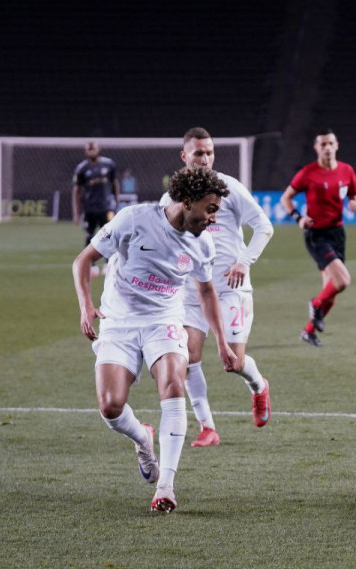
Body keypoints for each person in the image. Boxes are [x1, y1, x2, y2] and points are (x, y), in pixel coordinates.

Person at [72, 166, 238, 513]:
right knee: (110, 406)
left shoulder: (202, 244)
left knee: (174, 383)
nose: (213, 219)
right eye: (210, 209)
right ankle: (142, 438)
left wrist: (222, 341)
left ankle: (166, 486)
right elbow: (84, 259)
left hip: (164, 320)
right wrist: (86, 304)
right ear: (187, 202)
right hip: (118, 321)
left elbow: (206, 292)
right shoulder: (134, 220)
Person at [159, 127, 274, 447]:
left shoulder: (230, 188)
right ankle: (207, 427)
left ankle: (259, 387)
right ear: (185, 156)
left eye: (209, 152)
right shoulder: (171, 196)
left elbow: (264, 227)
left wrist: (244, 261)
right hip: (191, 289)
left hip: (230, 287)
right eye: (199, 153)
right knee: (187, 355)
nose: (205, 157)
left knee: (234, 363)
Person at [280, 129, 356, 347]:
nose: (327, 147)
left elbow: (354, 196)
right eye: (322, 144)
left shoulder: (347, 171)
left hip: (337, 233)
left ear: (337, 145)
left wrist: (355, 203)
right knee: (343, 280)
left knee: (332, 292)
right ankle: (315, 304)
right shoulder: (308, 173)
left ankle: (308, 331)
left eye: (330, 143)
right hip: (316, 235)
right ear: (316, 148)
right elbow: (286, 198)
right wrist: (297, 217)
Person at [72, 141, 119, 277]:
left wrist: (116, 202)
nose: (92, 151)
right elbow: (76, 191)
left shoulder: (109, 165)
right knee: (90, 236)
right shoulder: (81, 168)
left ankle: (108, 263)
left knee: (109, 235)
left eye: (94, 149)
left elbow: (115, 184)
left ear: (99, 149)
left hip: (107, 207)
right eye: (89, 149)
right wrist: (76, 211)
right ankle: (91, 265)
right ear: (86, 151)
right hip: (89, 208)